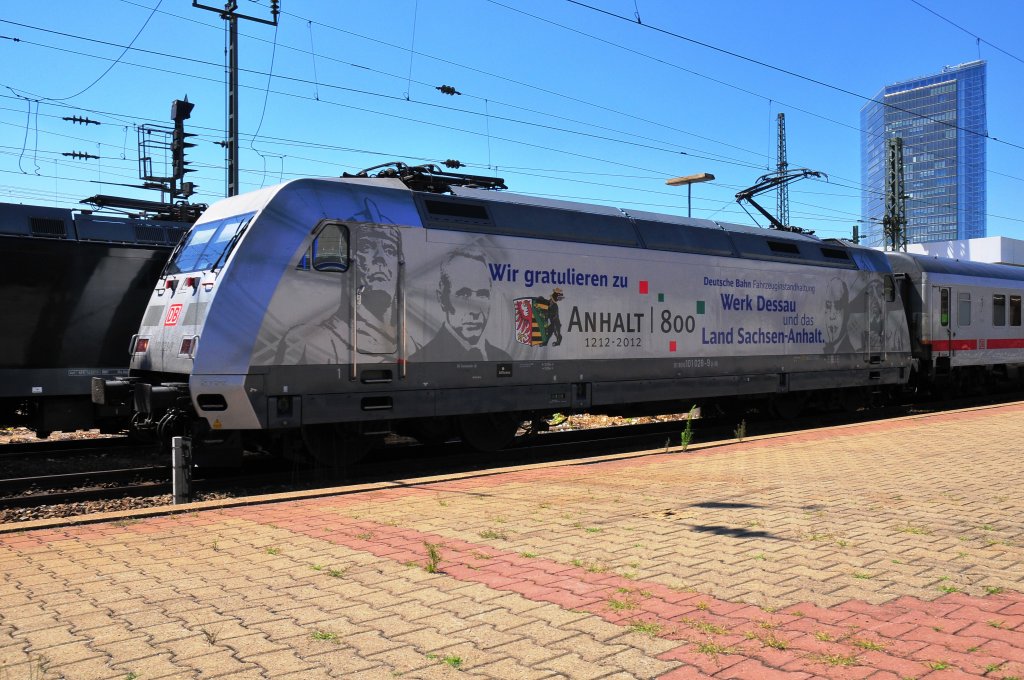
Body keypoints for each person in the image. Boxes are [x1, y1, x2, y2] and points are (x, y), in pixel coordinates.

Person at [274, 220, 401, 365]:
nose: (380, 257)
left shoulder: (413, 345)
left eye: (390, 250)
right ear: (347, 261)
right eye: (366, 247)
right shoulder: (305, 341)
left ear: (400, 266)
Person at [411, 247, 511, 362]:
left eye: (482, 295)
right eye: (464, 295)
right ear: (442, 299)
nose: (476, 311)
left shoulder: (504, 358)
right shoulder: (421, 360)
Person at [823, 277, 854, 353]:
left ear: (847, 312)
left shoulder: (850, 354)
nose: (832, 316)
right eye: (828, 306)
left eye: (838, 307)